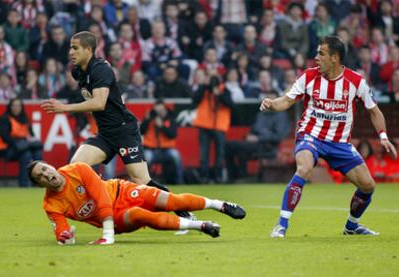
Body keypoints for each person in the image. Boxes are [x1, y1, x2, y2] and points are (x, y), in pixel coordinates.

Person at [260, 36, 397, 238]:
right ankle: (281, 226)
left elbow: (374, 111)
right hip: (311, 135)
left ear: (334, 58)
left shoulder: (356, 81)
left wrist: (383, 136)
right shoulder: (308, 76)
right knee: (304, 168)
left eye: (321, 53)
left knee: (368, 185)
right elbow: (287, 101)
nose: (316, 58)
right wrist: (272, 104)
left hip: (339, 143)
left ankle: (352, 226)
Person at [40, 31, 186, 215]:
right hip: (106, 133)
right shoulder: (78, 72)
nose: (71, 52)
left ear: (88, 49)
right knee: (76, 165)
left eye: (75, 48)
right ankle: (101, 200)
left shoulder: (100, 69)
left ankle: (183, 210)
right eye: (70, 47)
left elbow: (99, 103)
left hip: (124, 131)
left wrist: (65, 108)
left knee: (141, 180)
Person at [27, 160, 246, 245]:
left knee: (171, 200)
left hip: (123, 191)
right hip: (119, 219)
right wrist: (65, 237)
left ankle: (220, 205)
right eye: (40, 177)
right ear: (40, 185)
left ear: (51, 165)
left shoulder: (78, 169)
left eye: (45, 169)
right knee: (141, 216)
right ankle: (201, 226)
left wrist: (107, 236)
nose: (47, 175)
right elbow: (61, 233)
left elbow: (101, 199)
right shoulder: (51, 205)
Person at [226, 90, 290, 182]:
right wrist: (249, 136)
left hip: (268, 146)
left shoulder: (281, 115)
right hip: (254, 143)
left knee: (238, 148)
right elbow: (253, 130)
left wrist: (259, 138)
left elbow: (279, 136)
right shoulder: (261, 114)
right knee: (229, 145)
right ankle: (233, 177)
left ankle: (241, 177)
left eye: (271, 99)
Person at [193, 75, 234, 183]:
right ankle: (204, 177)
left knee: (220, 154)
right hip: (204, 125)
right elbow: (194, 100)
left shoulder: (224, 90)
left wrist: (219, 95)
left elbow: (230, 104)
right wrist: (203, 86)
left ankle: (218, 177)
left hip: (219, 126)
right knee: (204, 154)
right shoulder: (204, 89)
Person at [0, 98, 43, 187]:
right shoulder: (4, 119)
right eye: (14, 105)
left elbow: (31, 135)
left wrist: (27, 142)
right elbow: (5, 137)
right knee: (26, 155)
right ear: (10, 107)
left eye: (18, 105)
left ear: (21, 107)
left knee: (37, 154)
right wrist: (20, 142)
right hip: (8, 149)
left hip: (23, 147)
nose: (16, 108)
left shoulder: (25, 119)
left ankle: (36, 183)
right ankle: (23, 184)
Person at [140, 99, 184, 184]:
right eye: (157, 110)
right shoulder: (150, 117)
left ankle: (180, 181)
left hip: (166, 149)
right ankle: (146, 182)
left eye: (161, 110)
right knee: (146, 158)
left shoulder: (170, 118)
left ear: (165, 109)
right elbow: (141, 131)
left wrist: (162, 126)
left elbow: (172, 134)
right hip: (151, 149)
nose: (159, 112)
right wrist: (147, 119)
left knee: (176, 155)